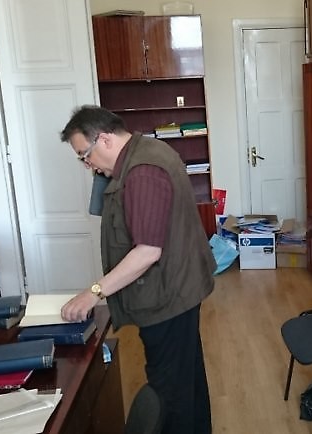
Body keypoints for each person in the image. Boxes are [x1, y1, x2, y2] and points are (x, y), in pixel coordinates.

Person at [59, 105, 216, 434]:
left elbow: (147, 251)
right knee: (186, 381)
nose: (87, 165)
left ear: (104, 139)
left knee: (169, 394)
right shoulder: (142, 152)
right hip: (177, 289)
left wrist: (94, 292)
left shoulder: (142, 171)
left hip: (167, 299)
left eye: (85, 155)